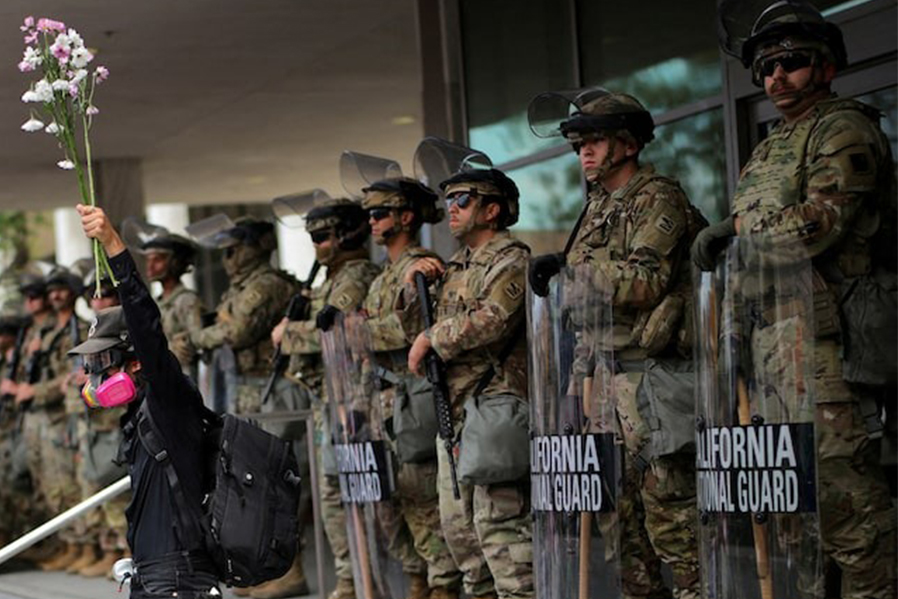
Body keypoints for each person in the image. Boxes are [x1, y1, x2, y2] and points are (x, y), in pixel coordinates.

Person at [693, 3, 896, 596]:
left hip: (828, 343)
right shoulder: (769, 147)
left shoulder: (844, 127)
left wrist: (735, 232)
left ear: (826, 66)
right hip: (771, 347)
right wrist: (730, 335)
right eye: (765, 68)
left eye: (791, 63)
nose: (775, 77)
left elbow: (820, 224)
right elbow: (749, 256)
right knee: (791, 508)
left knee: (846, 502)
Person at [530, 91, 705, 599]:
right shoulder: (597, 208)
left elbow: (648, 278)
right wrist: (574, 384)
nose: (584, 151)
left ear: (628, 144)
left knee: (674, 522)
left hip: (653, 377)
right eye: (579, 143)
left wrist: (576, 273)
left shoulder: (657, 196)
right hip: (603, 383)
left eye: (595, 140)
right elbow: (585, 313)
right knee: (620, 528)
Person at [73, 203, 219, 599]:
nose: (96, 375)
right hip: (152, 573)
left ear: (137, 361)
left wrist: (114, 245)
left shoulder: (167, 397)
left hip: (178, 579)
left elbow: (146, 324)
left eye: (105, 362)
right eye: (92, 364)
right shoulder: (138, 414)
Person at [403, 168, 533, 599]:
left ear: (492, 210)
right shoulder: (453, 266)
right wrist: (413, 289)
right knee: (463, 538)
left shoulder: (511, 259)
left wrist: (432, 337)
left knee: (504, 538)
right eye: (449, 201)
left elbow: (494, 320)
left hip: (494, 406)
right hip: (454, 412)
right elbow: (414, 331)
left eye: (463, 200)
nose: (451, 210)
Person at [270, 198, 380, 599]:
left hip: (353, 401)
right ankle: (350, 579)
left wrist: (290, 334)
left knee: (356, 494)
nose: (315, 245)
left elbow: (337, 331)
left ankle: (366, 580)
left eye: (321, 236)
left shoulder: (354, 277)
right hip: (329, 401)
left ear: (346, 235)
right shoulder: (331, 280)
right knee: (332, 496)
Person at [360, 177, 462, 599]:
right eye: (370, 214)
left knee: (424, 502)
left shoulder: (423, 265)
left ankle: (441, 585)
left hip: (413, 397)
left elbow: (410, 329)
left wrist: (362, 332)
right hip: (384, 401)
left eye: (380, 213)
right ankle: (419, 580)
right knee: (394, 504)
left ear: (406, 217)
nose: (372, 221)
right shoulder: (387, 273)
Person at [174, 218, 298, 416]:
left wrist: (195, 338)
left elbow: (238, 332)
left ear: (254, 248)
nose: (228, 258)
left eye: (233, 250)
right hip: (242, 384)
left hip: (268, 387)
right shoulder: (241, 287)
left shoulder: (267, 284)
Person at [16, 267, 86, 571]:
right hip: (42, 419)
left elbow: (66, 377)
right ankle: (68, 544)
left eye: (61, 289)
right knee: (49, 485)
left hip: (63, 415)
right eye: (51, 290)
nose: (54, 296)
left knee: (70, 485)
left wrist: (36, 390)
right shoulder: (40, 334)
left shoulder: (79, 329)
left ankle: (86, 545)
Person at [139, 231, 204, 374]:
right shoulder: (156, 302)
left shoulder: (187, 300)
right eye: (148, 260)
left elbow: (198, 341)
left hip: (182, 378)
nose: (150, 266)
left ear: (175, 262)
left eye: (158, 260)